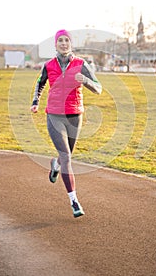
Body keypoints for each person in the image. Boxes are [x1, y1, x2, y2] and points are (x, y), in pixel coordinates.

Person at [30, 29, 102, 218]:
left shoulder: (81, 64)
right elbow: (40, 83)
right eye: (60, 40)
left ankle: (55, 165)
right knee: (67, 157)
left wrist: (85, 80)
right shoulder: (48, 65)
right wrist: (35, 101)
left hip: (74, 115)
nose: (63, 43)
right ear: (56, 44)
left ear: (71, 43)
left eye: (66, 40)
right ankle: (74, 201)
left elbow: (98, 88)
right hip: (54, 114)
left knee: (66, 155)